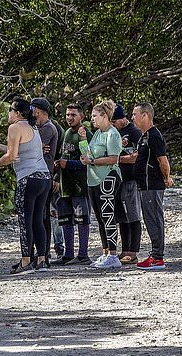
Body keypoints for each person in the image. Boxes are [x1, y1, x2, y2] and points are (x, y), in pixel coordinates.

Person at [0, 98, 51, 274]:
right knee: (38, 220)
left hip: (28, 177)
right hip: (44, 177)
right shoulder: (33, 126)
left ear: (16, 113)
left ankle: (25, 261)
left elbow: (11, 157)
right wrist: (0, 147)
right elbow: (23, 149)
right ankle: (42, 260)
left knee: (25, 220)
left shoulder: (14, 127)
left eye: (10, 111)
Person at [80, 100, 123, 269]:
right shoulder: (97, 133)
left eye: (94, 116)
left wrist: (94, 161)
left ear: (104, 116)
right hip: (93, 178)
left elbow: (114, 158)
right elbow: (88, 154)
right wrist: (83, 141)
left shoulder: (112, 134)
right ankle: (105, 253)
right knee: (99, 218)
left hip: (107, 177)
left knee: (108, 215)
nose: (92, 119)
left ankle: (113, 254)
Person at [50, 104, 94, 266]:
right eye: (68, 115)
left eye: (73, 115)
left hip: (80, 186)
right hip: (65, 185)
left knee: (82, 219)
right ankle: (68, 254)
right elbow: (63, 155)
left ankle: (83, 255)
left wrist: (66, 164)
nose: (69, 118)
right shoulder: (67, 133)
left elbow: (88, 161)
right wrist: (56, 174)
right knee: (65, 220)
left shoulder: (85, 134)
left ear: (81, 116)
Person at [131, 103, 173, 270]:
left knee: (154, 219)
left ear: (145, 115)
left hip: (152, 185)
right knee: (149, 220)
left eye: (135, 114)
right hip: (144, 185)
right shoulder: (144, 136)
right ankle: (155, 255)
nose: (133, 117)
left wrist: (167, 178)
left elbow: (163, 161)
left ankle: (157, 257)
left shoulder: (155, 136)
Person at [111, 105, 143, 264]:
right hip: (118, 178)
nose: (114, 123)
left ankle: (133, 251)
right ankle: (124, 249)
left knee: (133, 214)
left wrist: (120, 159)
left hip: (131, 178)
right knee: (121, 217)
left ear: (123, 118)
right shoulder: (113, 132)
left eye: (115, 120)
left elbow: (139, 155)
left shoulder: (134, 131)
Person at [31, 97, 59, 265]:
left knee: (43, 217)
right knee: (40, 216)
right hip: (41, 173)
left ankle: (44, 253)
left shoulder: (48, 128)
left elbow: (32, 146)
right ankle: (41, 251)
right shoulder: (39, 128)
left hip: (45, 174)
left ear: (38, 111)